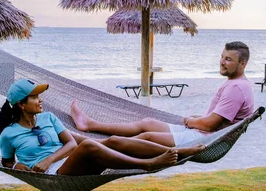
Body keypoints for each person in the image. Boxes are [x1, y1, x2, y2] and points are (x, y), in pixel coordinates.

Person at [0, 79, 206, 176]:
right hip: (56, 176)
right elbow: (7, 162)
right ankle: (148, 164)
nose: (40, 100)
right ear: (21, 104)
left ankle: (179, 151)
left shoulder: (49, 118)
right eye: (35, 97)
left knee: (112, 141)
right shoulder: (8, 134)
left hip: (68, 161)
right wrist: (18, 167)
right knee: (88, 146)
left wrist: (49, 158)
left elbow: (71, 143)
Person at [70, 41, 254, 149]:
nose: (222, 62)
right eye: (222, 56)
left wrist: (188, 121)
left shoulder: (236, 88)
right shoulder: (237, 84)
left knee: (147, 136)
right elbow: (217, 118)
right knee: (147, 123)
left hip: (203, 139)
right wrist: (193, 119)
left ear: (242, 63)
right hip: (201, 132)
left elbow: (209, 125)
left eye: (228, 59)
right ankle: (90, 124)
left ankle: (93, 144)